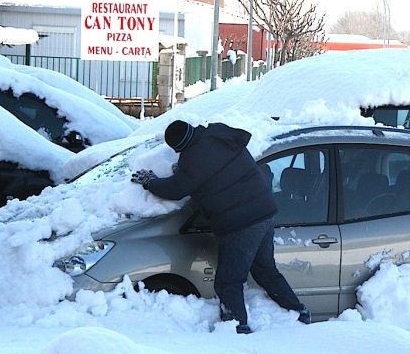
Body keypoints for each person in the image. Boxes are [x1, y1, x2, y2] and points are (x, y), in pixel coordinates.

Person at [132, 120, 310, 334]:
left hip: (241, 224)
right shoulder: (218, 134)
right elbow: (212, 171)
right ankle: (299, 312)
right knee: (265, 271)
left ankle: (237, 330)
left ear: (179, 147)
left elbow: (175, 189)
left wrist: (151, 181)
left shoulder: (193, 160)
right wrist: (183, 171)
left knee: (228, 282)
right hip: (264, 212)